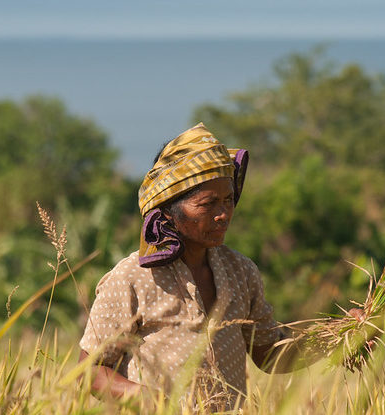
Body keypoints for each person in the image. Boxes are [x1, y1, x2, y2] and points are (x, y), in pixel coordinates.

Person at [78, 123, 344, 410]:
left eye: (228, 200)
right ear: (167, 209)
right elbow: (88, 373)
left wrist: (342, 336)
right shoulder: (134, 277)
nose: (223, 215)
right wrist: (151, 401)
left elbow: (270, 355)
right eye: (208, 204)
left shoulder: (241, 272)